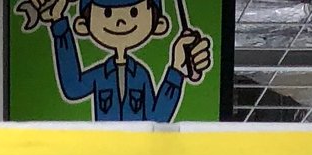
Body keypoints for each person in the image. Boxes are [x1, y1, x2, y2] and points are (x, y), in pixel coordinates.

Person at [32, 0, 212, 125]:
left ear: (158, 24)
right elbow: (72, 87)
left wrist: (176, 71)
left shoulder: (141, 74)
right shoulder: (101, 75)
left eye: (134, 12)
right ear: (83, 25)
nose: (120, 21)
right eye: (107, 13)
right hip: (104, 154)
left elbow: (157, 117)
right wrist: (59, 24)